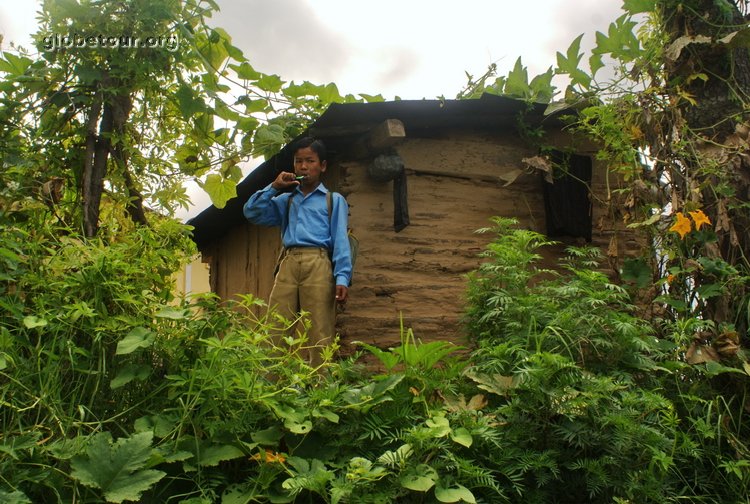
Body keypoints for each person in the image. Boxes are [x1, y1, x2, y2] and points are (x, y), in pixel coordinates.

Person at [243, 137, 351, 367]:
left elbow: (341, 240)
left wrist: (342, 276)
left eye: (309, 161)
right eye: (298, 161)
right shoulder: (286, 200)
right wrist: (274, 187)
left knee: (319, 331)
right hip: (289, 263)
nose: (303, 166)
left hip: (319, 263)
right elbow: (251, 212)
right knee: (275, 326)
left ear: (322, 166)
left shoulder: (333, 200)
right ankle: (267, 389)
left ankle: (320, 392)